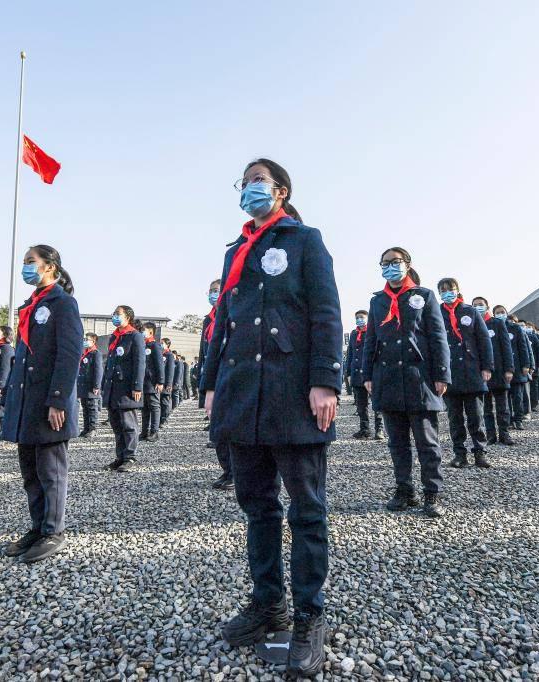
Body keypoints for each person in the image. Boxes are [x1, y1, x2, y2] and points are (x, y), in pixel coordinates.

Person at [203, 158, 341, 677]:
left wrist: (325, 379)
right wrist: (212, 383)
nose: (249, 188)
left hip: (291, 392)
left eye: (257, 181)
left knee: (306, 508)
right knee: (257, 505)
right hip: (243, 394)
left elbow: (326, 311)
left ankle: (309, 614)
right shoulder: (236, 251)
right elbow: (223, 323)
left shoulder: (305, 240)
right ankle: (268, 604)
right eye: (244, 182)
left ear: (280, 191)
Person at [2, 244, 82, 563]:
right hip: (27, 401)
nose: (26, 267)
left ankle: (53, 530)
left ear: (50, 267)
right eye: (24, 262)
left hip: (48, 401)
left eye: (30, 262)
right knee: (31, 471)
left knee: (51, 470)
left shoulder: (62, 303)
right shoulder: (31, 305)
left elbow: (68, 354)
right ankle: (37, 527)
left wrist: (58, 400)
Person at [362, 248, 450, 515]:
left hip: (419, 378)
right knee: (397, 443)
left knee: (427, 442)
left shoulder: (424, 296)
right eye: (385, 263)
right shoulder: (378, 301)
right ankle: (404, 490)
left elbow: (437, 336)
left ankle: (431, 493)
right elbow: (371, 340)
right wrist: (367, 375)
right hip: (387, 378)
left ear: (407, 264)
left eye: (395, 262)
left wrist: (441, 374)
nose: (390, 267)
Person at [439, 278, 494, 468]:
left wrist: (487, 367)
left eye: (451, 289)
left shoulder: (469, 311)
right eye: (443, 290)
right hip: (449, 373)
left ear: (458, 290)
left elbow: (484, 340)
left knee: (476, 416)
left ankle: (480, 452)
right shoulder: (436, 313)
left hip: (472, 371)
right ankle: (459, 453)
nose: (447, 293)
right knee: (454, 417)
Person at [198, 279, 233, 489]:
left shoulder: (233, 312)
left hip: (230, 373)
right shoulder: (208, 320)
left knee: (231, 425)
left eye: (216, 291)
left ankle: (236, 472)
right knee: (217, 425)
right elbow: (206, 353)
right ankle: (227, 469)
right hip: (214, 375)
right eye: (210, 291)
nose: (213, 294)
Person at [101, 305, 145, 472]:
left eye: (118, 314)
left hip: (127, 388)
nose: (114, 316)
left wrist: (137, 386)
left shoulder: (134, 336)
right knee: (116, 424)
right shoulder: (115, 337)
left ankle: (131, 457)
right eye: (114, 313)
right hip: (113, 388)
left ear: (128, 317)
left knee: (128, 424)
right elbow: (110, 364)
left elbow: (139, 363)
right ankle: (120, 457)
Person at [473, 297, 515, 447]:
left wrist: (509, 369)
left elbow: (506, 347)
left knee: (502, 406)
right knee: (486, 408)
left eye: (480, 304)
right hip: (482, 372)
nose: (478, 307)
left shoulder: (497, 323)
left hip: (499, 371)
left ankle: (504, 434)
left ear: (487, 306)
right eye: (475, 305)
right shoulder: (474, 323)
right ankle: (491, 435)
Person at [345, 309, 383, 440]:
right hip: (356, 374)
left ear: (367, 318)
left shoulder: (373, 331)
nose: (359, 319)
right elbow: (350, 353)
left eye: (362, 317)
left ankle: (379, 430)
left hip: (371, 374)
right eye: (357, 318)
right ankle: (364, 429)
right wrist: (348, 372)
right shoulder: (354, 334)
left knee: (376, 403)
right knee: (361, 405)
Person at [498, 307, 532, 430]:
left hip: (517, 367)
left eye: (502, 312)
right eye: (497, 312)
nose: (500, 314)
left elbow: (523, 348)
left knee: (517, 396)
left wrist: (526, 365)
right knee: (505, 397)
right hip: (501, 368)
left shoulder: (515, 328)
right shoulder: (494, 326)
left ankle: (518, 419)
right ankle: (509, 420)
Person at [139, 323, 164, 442]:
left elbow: (159, 365)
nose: (142, 332)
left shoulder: (155, 346)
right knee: (145, 408)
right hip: (143, 382)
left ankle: (154, 432)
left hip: (152, 382)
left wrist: (160, 381)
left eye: (144, 330)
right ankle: (144, 431)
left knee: (154, 407)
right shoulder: (142, 345)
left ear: (151, 332)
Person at [77, 332, 102, 438]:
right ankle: (86, 428)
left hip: (91, 386)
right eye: (84, 339)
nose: (85, 341)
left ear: (93, 341)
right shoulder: (85, 353)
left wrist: (96, 385)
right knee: (85, 407)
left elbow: (98, 370)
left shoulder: (95, 353)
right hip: (83, 386)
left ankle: (93, 428)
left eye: (87, 339)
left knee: (92, 408)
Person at [159, 338, 175, 427]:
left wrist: (169, 383)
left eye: (162, 343)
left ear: (167, 345)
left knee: (165, 402)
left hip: (165, 382)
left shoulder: (169, 355)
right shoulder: (159, 354)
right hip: (159, 382)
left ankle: (164, 419)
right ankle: (159, 419)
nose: (160, 344)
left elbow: (170, 370)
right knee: (159, 402)